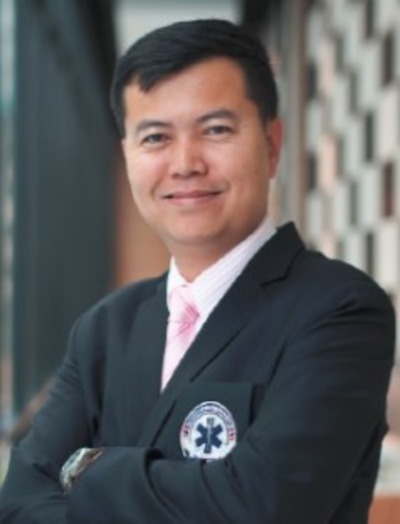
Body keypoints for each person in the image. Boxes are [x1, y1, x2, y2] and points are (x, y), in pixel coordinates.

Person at [0, 19, 395, 524]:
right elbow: (19, 505)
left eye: (216, 130)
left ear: (272, 144)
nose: (185, 163)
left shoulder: (340, 310)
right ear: (127, 156)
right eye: (155, 137)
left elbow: (263, 507)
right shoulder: (103, 329)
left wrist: (87, 470)